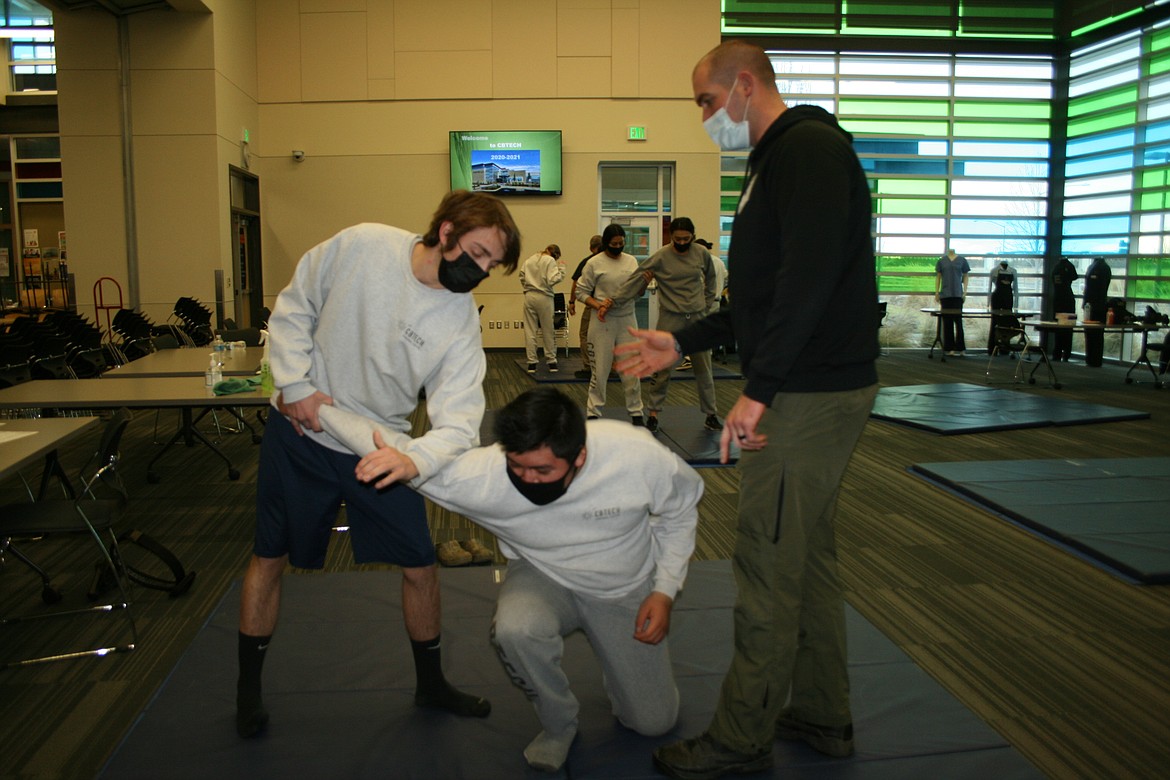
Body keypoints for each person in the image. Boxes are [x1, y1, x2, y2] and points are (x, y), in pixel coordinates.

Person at [615, 40, 879, 779]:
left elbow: (810, 282)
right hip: (803, 384)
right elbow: (757, 301)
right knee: (809, 560)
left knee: (764, 562)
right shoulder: (769, 167)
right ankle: (824, 712)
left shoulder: (811, 154)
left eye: (705, 101)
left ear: (745, 85)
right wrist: (681, 340)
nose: (704, 118)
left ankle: (741, 736)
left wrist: (757, 393)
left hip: (809, 394)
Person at [235, 190, 522, 739]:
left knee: (420, 565)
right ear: (446, 232)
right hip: (302, 428)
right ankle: (249, 691)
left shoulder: (459, 321)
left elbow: (460, 423)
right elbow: (295, 307)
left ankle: (431, 684)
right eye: (480, 253)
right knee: (269, 557)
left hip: (380, 448)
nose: (483, 271)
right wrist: (293, 384)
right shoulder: (364, 245)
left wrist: (413, 459)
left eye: (491, 263)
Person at [321, 387, 702, 773]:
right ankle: (559, 723)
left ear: (579, 457)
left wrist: (664, 590)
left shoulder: (635, 455)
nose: (529, 480)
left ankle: (621, 672)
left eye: (543, 470)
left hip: (624, 587)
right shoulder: (484, 475)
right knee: (515, 630)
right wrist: (313, 405)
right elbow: (395, 447)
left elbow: (682, 510)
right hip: (542, 576)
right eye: (518, 467)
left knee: (654, 723)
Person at [616, 217, 721, 433]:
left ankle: (711, 414)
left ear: (693, 235)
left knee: (704, 369)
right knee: (661, 368)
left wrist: (707, 303)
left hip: (697, 317)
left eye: (686, 238)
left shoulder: (701, 253)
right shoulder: (661, 256)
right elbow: (636, 279)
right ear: (671, 237)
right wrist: (613, 300)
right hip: (670, 318)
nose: (682, 242)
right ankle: (653, 414)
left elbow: (711, 279)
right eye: (677, 239)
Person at [576, 224, 645, 424]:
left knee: (631, 368)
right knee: (601, 369)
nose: (618, 246)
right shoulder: (594, 263)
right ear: (606, 243)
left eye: (621, 243)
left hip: (627, 318)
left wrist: (643, 284)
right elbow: (580, 292)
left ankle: (636, 412)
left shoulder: (631, 261)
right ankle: (593, 411)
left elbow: (638, 293)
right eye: (614, 244)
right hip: (602, 321)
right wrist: (598, 305)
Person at [520, 244, 565, 373]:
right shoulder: (550, 260)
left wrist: (529, 286)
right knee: (548, 330)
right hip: (544, 297)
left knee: (530, 331)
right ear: (555, 255)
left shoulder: (529, 260)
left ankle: (532, 363)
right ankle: (552, 362)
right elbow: (552, 280)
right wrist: (562, 269)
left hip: (529, 296)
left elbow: (522, 277)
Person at [568, 235, 603, 379]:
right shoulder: (615, 260)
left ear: (591, 247)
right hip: (611, 304)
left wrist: (572, 302)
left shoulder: (588, 262)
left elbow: (576, 283)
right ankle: (611, 366)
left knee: (585, 335)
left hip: (592, 304)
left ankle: (589, 367)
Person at [935, 248, 970, 357]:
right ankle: (949, 347)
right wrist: (937, 292)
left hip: (957, 295)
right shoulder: (941, 261)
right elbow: (938, 277)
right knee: (947, 322)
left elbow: (965, 276)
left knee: (958, 322)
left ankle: (961, 347)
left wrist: (965, 291)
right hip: (945, 295)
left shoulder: (962, 260)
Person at [1083, 256, 1112, 367]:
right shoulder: (1092, 267)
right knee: (1090, 333)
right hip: (1091, 306)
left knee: (1097, 334)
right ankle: (1090, 358)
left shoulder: (1102, 268)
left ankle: (1095, 359)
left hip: (1098, 306)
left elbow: (1101, 288)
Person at [986, 259, 1019, 354]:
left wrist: (1016, 304)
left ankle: (1005, 349)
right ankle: (992, 349)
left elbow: (1016, 288)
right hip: (997, 297)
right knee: (995, 322)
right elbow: (989, 287)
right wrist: (988, 303)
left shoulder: (1013, 271)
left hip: (1008, 297)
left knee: (1006, 322)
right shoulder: (994, 270)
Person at [1051, 256, 1079, 361]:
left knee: (1059, 328)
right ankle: (1066, 353)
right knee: (1068, 328)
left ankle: (1057, 353)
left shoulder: (1055, 268)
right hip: (1067, 299)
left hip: (1057, 299)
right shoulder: (1069, 266)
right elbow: (1074, 276)